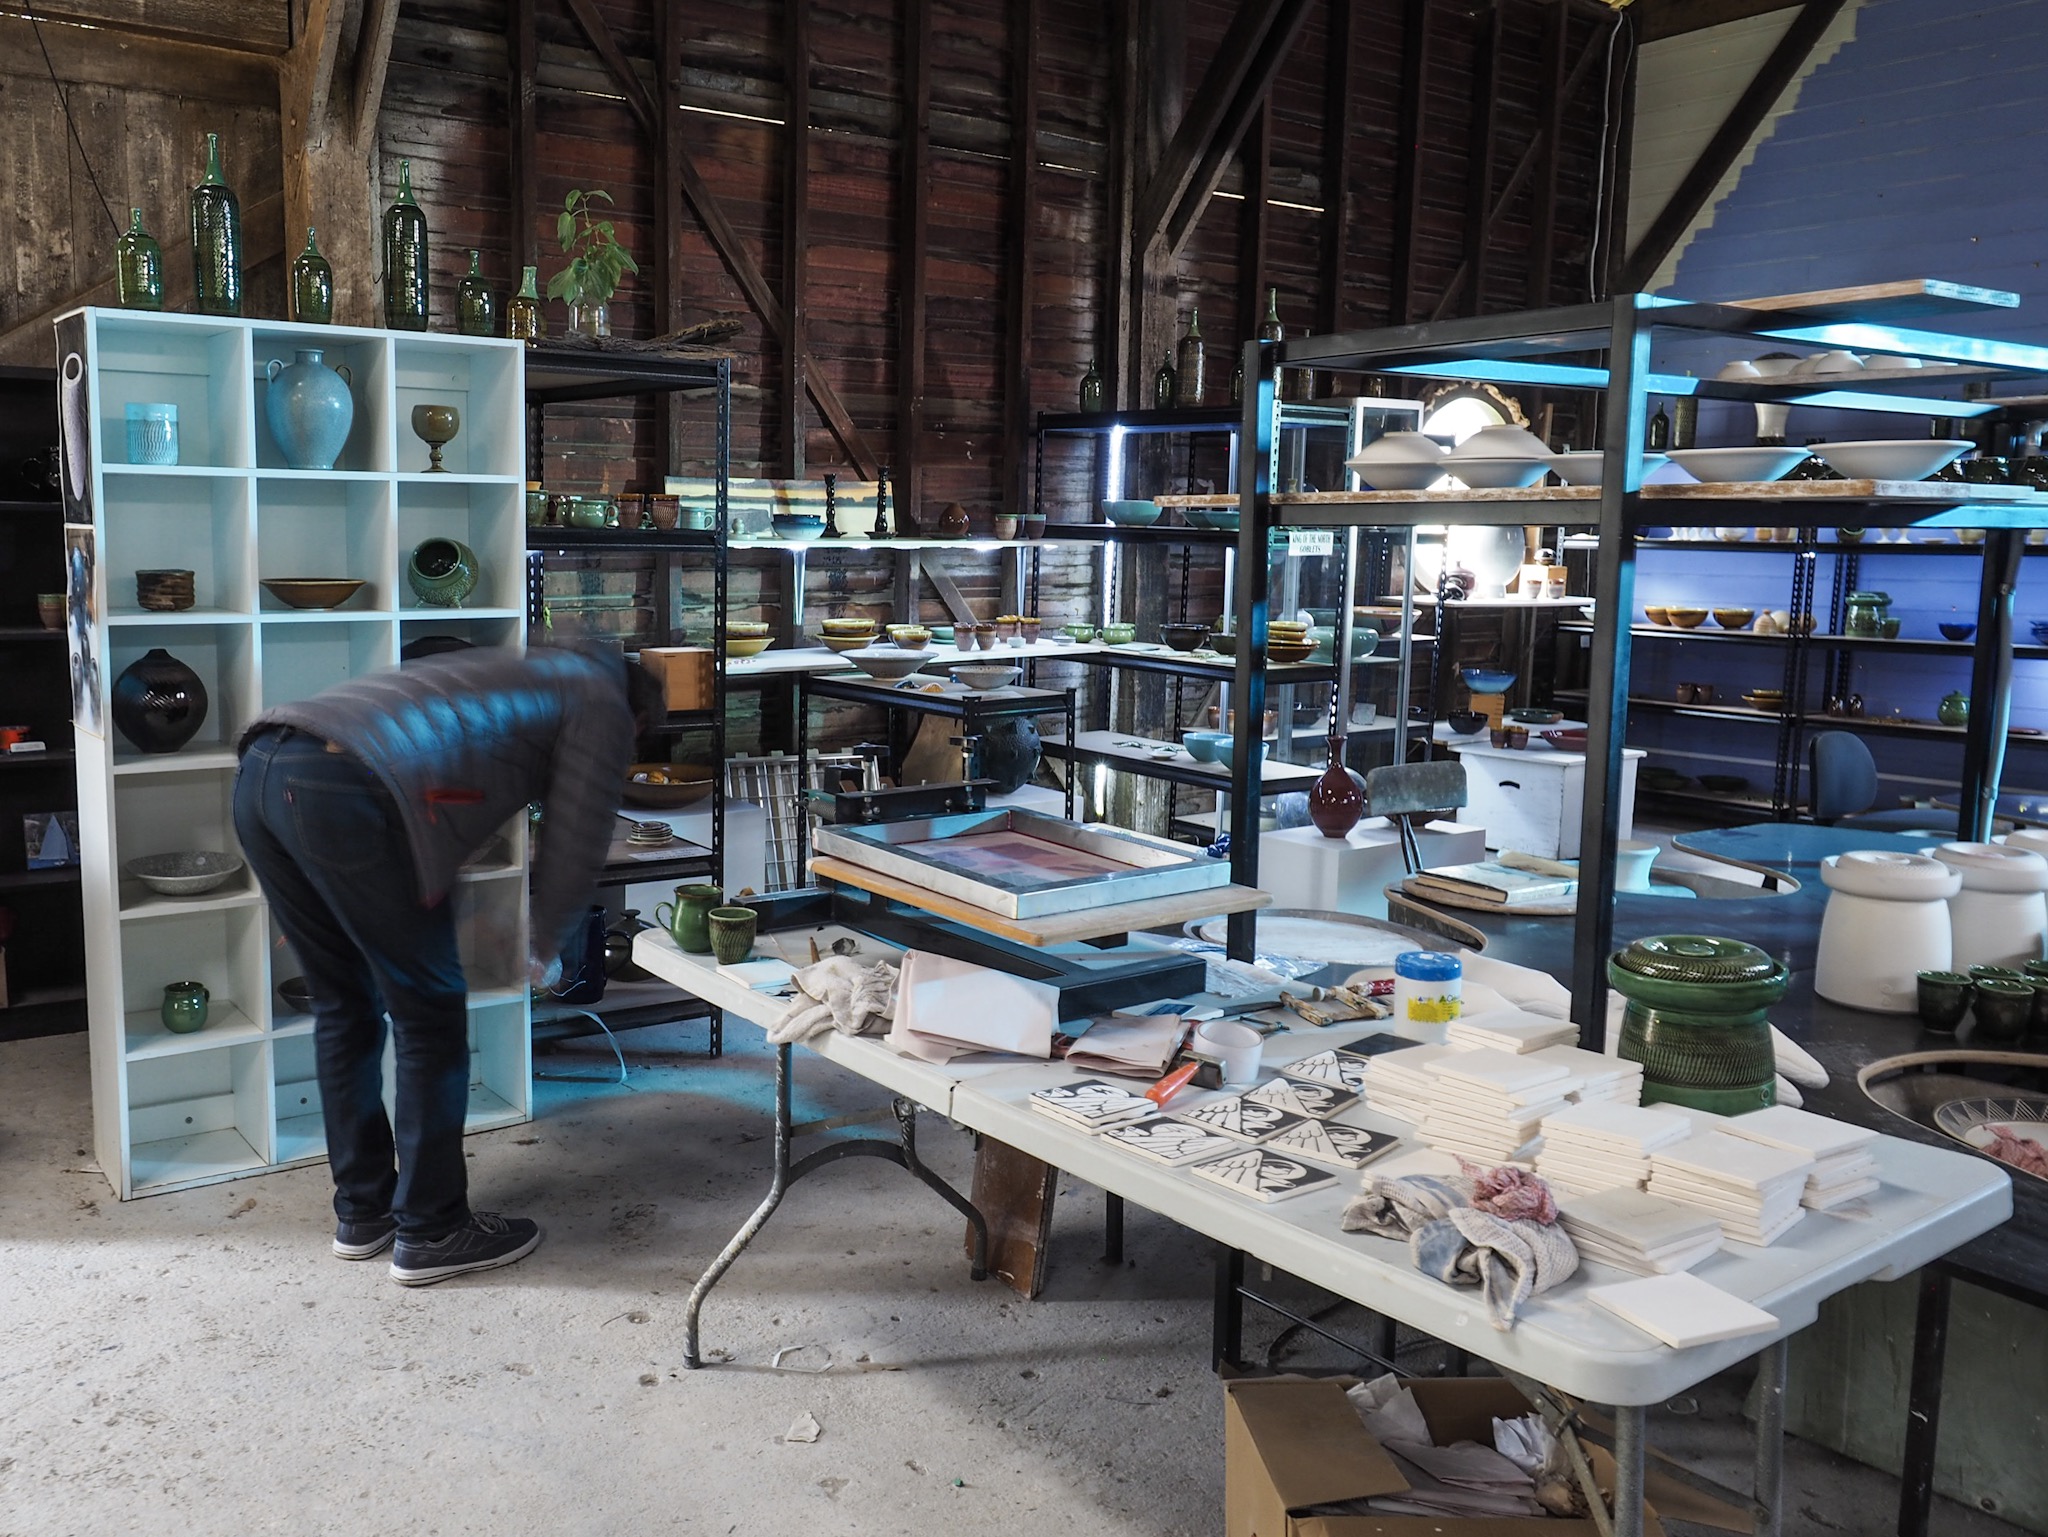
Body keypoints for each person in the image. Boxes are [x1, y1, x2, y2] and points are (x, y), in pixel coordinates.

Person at [233, 645, 663, 1285]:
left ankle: (364, 1212)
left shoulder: (526, 678)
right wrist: (545, 946)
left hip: (265, 770)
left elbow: (444, 790)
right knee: (429, 1019)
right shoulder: (602, 704)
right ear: (637, 718)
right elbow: (577, 838)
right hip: (347, 791)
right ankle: (432, 1230)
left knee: (344, 1006)